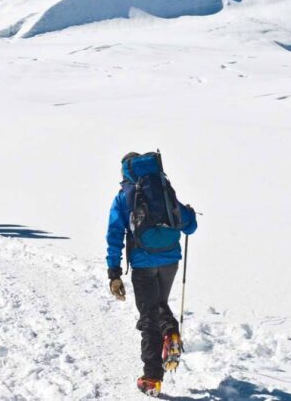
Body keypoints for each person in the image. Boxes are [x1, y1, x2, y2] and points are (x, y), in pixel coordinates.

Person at [106, 152, 197, 397]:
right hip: (170, 259)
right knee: (157, 307)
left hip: (144, 262)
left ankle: (153, 375)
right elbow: (190, 225)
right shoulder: (163, 189)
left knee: (150, 318)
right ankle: (165, 342)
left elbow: (114, 235)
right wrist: (188, 212)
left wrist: (114, 273)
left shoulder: (124, 197)